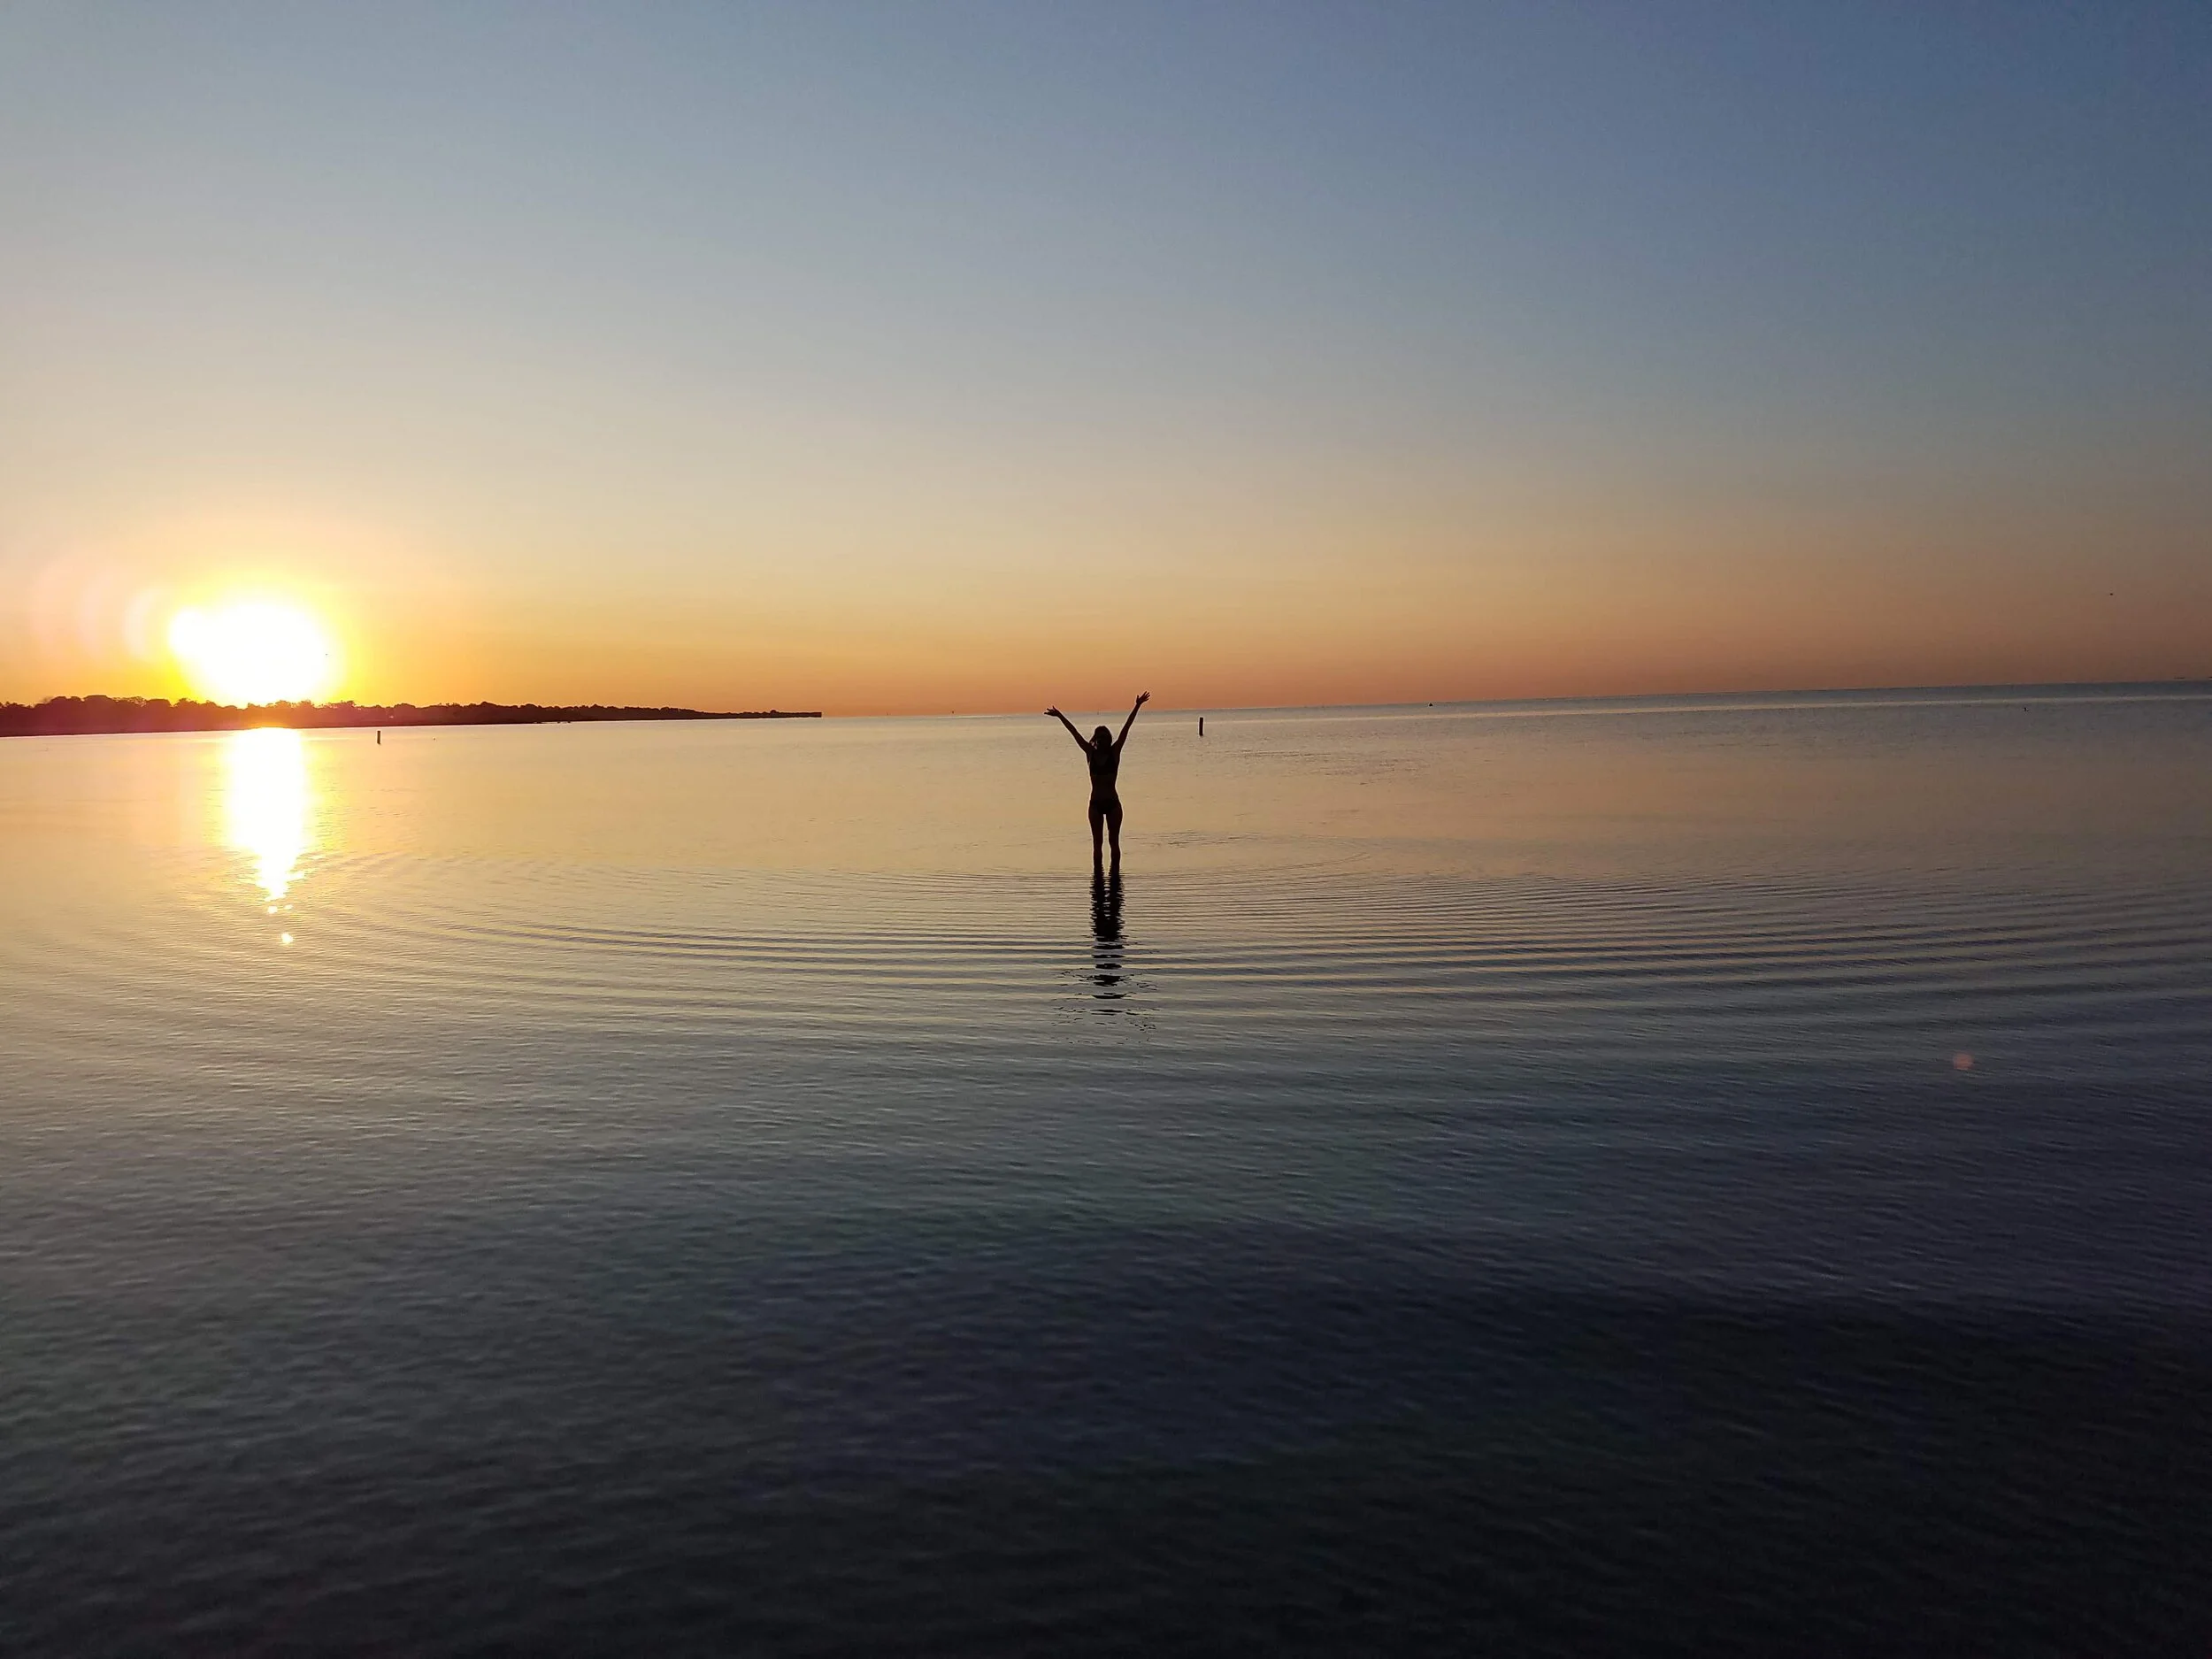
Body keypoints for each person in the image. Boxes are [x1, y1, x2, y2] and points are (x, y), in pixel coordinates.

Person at [1047, 693, 1148, 874]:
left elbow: (1127, 727)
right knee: (1097, 844)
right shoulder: (1090, 753)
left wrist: (1137, 705)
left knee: (1114, 843)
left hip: (1113, 803)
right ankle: (1098, 878)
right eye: (1099, 738)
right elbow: (1074, 733)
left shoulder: (1115, 752)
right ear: (1096, 739)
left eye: (1104, 737)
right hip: (1095, 804)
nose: (1101, 741)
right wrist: (1060, 716)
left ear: (1108, 739)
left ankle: (1115, 877)